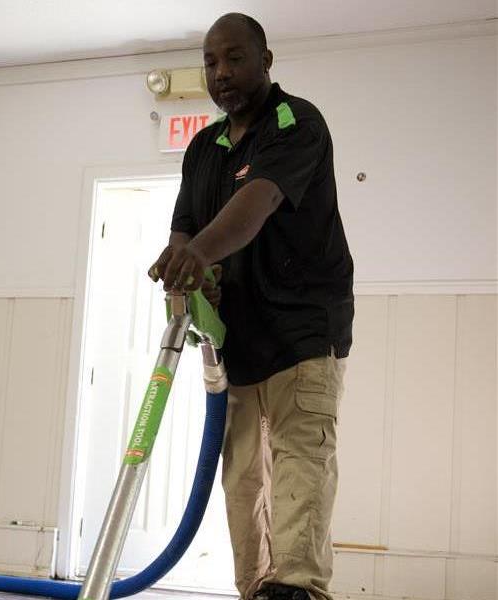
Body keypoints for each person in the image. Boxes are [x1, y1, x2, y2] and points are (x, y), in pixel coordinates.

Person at [148, 12, 354, 600]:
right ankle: (255, 589)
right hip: (239, 339)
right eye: (211, 62)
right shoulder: (205, 146)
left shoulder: (296, 123)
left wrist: (200, 254)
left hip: (305, 331)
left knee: (298, 464)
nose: (221, 73)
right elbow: (186, 226)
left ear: (266, 60)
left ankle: (295, 589)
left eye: (235, 58)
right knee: (240, 479)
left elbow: (257, 202)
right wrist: (185, 262)